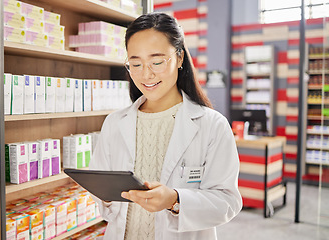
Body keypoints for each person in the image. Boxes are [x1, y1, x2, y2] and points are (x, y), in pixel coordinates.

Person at [89, 12, 242, 240]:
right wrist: (106, 195)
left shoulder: (212, 125)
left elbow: (228, 202)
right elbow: (101, 195)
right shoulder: (114, 123)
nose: (146, 74)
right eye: (136, 64)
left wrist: (175, 199)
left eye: (157, 62)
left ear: (179, 58)